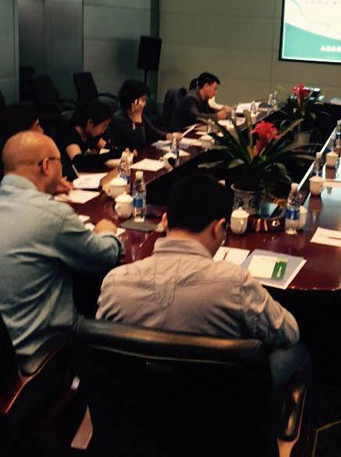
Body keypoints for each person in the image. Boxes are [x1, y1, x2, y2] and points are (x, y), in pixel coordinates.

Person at [97, 172, 310, 390]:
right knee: (295, 352)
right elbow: (289, 332)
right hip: (215, 402)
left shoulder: (114, 283)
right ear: (219, 228)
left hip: (136, 401)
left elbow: (103, 351)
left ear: (165, 221)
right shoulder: (235, 283)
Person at [0, 131, 123, 356]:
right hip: (44, 354)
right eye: (59, 162)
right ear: (47, 165)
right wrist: (107, 232)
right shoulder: (50, 214)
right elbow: (104, 256)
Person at [57, 99, 113, 180]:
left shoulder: (91, 135)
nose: (103, 131)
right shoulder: (70, 134)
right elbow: (78, 161)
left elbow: (109, 148)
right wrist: (108, 156)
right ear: (90, 122)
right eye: (103, 126)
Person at [107, 80, 168, 152]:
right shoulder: (119, 119)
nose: (145, 104)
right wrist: (138, 121)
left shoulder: (138, 114)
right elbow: (138, 144)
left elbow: (152, 132)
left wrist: (168, 136)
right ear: (134, 101)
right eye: (143, 100)